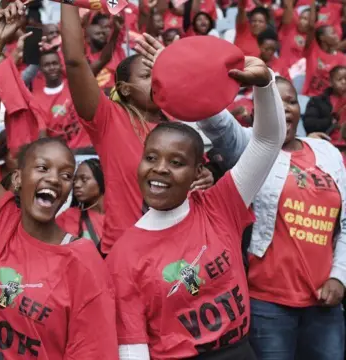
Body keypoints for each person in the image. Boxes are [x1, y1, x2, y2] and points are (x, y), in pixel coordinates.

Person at [0, 2, 119, 358]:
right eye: (42, 168)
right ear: (17, 179)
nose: (56, 179)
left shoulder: (81, 258)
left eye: (66, 174)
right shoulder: (4, 223)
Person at [107, 47, 285, 358]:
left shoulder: (220, 204)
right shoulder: (122, 257)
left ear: (196, 173)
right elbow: (133, 348)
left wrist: (265, 83)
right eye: (151, 158)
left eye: (176, 162)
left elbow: (268, 140)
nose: (160, 168)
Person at [60, 6, 213, 255]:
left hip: (175, 251)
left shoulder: (177, 125)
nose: (157, 80)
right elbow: (76, 62)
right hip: (122, 252)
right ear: (125, 88)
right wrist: (68, 3)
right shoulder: (110, 119)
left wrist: (206, 177)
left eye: (159, 73)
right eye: (147, 75)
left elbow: (199, 178)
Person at [239, 76, 346, 360]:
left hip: (324, 302)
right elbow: (214, 125)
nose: (283, 108)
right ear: (256, 111)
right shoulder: (248, 148)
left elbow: (345, 225)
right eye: (273, 101)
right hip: (268, 304)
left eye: (290, 101)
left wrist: (340, 277)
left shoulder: (327, 152)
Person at [32, 51, 91, 151]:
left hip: (87, 147)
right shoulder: (36, 100)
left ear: (60, 64)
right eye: (47, 65)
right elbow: (42, 134)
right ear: (41, 69)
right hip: (64, 153)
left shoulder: (75, 85)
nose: (51, 67)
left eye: (54, 63)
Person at [302, 0, 346, 97]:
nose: (337, 36)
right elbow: (311, 27)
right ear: (322, 38)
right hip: (310, 98)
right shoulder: (312, 50)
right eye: (333, 33)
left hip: (329, 101)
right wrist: (313, 4)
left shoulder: (342, 58)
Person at [56, 158, 104, 245]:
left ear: (101, 181)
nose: (77, 185)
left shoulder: (119, 220)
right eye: (75, 180)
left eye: (84, 179)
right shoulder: (67, 217)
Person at [303, 65, 346, 148]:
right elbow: (309, 124)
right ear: (330, 82)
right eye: (340, 79)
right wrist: (331, 121)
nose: (344, 82)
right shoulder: (317, 101)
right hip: (325, 144)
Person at [278, 0, 311, 67]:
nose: (301, 21)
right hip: (282, 69)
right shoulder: (290, 29)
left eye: (305, 19)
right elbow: (288, 6)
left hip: (298, 73)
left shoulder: (312, 39)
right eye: (301, 18)